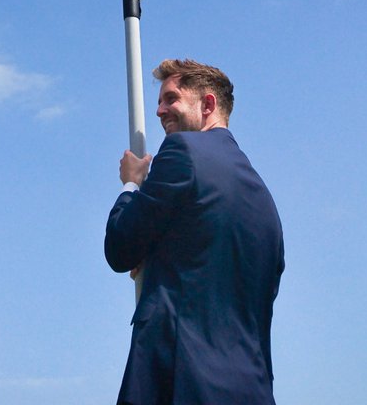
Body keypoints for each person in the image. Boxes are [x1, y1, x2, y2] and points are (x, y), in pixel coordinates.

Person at [105, 59, 284, 405]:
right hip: (251, 389)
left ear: (207, 105)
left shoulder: (182, 151)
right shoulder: (264, 200)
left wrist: (132, 183)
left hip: (180, 383)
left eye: (171, 98)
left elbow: (120, 248)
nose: (159, 110)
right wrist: (156, 255)